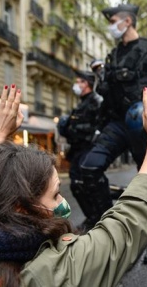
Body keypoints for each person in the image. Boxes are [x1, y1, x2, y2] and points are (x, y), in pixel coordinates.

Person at [0, 83, 147, 286]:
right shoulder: (42, 273)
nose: (63, 202)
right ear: (20, 208)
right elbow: (126, 225)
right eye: (56, 194)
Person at [79, 3, 147, 264]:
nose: (111, 25)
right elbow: (106, 96)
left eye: (113, 20)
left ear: (128, 21)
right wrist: (101, 78)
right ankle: (110, 236)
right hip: (118, 122)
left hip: (144, 122)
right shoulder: (112, 57)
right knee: (88, 169)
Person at [58, 70, 102, 229]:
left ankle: (96, 217)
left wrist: (73, 128)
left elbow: (98, 126)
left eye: (79, 81)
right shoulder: (81, 103)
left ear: (87, 84)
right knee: (76, 185)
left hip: (88, 149)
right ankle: (92, 217)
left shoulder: (96, 101)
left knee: (85, 184)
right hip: (77, 149)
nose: (76, 84)